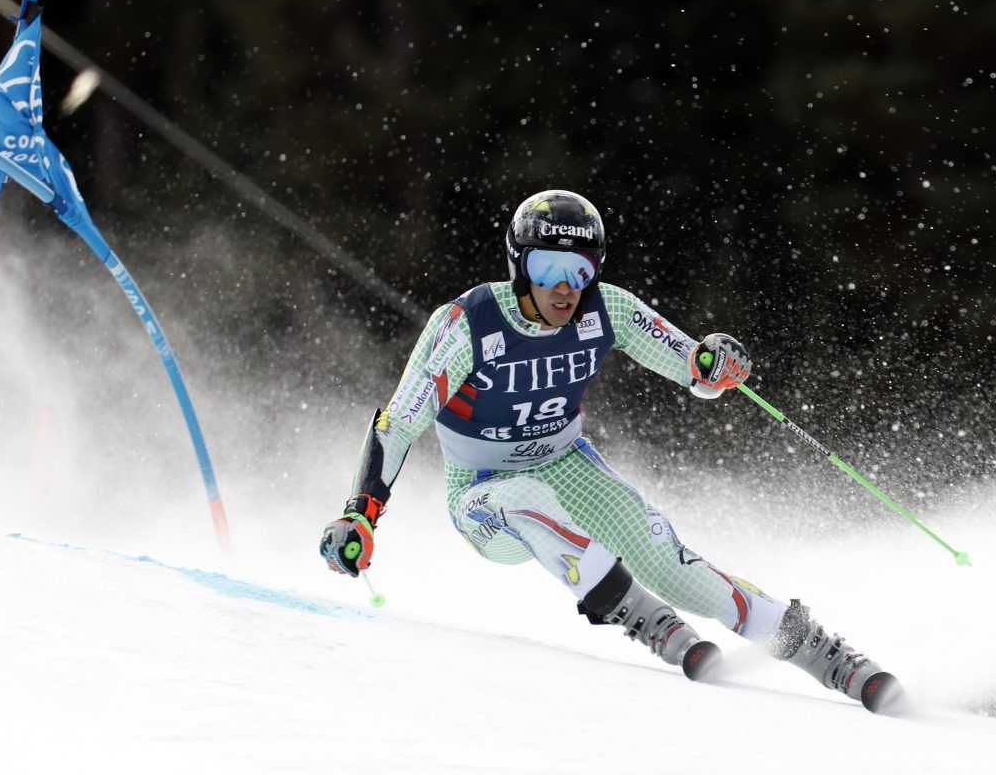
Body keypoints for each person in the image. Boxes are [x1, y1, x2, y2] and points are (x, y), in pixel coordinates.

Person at [320, 190, 897, 711]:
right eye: (547, 267)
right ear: (519, 265)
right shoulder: (467, 323)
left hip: (568, 463)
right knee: (523, 497)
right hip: (481, 493)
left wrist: (715, 360)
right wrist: (359, 515)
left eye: (581, 268)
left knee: (668, 560)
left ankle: (832, 659)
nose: (565, 286)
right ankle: (647, 621)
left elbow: (692, 366)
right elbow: (397, 424)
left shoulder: (607, 308)